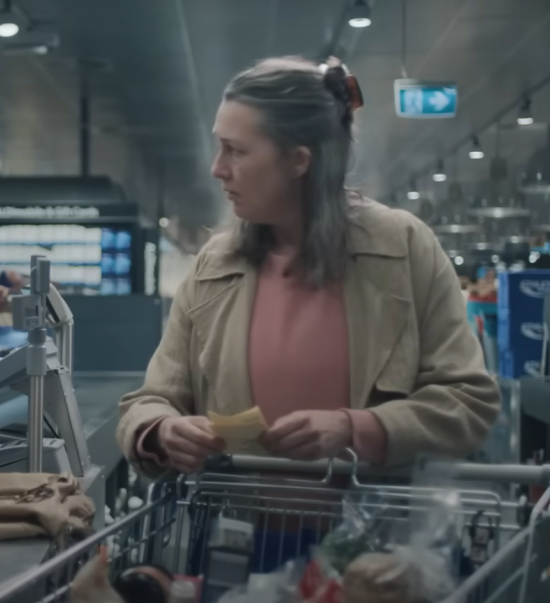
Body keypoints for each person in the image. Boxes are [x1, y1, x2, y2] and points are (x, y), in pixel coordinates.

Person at [117, 57, 500, 477]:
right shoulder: (214, 266)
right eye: (219, 146)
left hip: (371, 534)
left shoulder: (404, 251)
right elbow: (149, 401)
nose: (217, 168)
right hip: (232, 531)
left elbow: (469, 402)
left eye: (236, 151)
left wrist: (356, 428)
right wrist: (161, 431)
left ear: (299, 161)